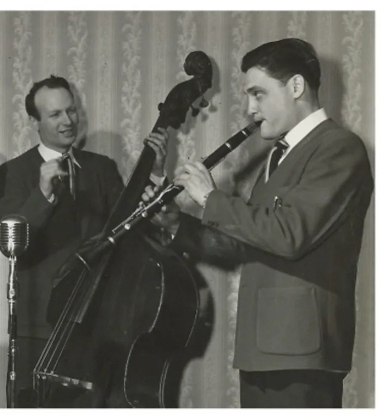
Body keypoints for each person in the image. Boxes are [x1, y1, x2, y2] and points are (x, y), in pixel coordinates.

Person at [144, 38, 373, 408]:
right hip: (263, 349)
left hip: (302, 352)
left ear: (296, 87)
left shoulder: (338, 147)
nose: (250, 109)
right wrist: (177, 225)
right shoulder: (281, 154)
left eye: (258, 94)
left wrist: (210, 197)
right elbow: (246, 242)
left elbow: (289, 235)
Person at [0, 75, 169, 406]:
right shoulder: (12, 173)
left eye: (70, 111)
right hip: (41, 326)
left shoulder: (101, 169)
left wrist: (156, 174)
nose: (67, 121)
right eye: (55, 114)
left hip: (97, 321)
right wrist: (42, 194)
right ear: (35, 121)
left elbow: (133, 232)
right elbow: (9, 243)